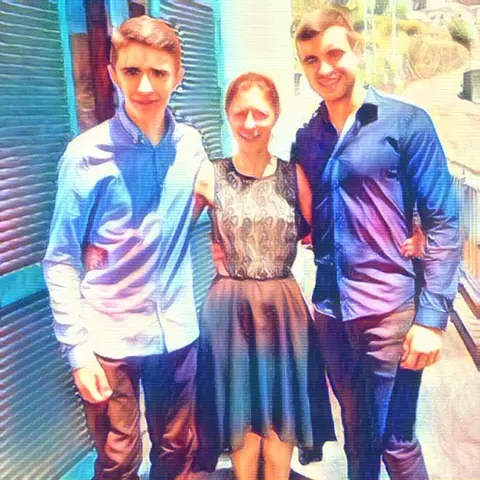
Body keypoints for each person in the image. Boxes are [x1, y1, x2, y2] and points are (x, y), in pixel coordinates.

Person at [291, 6, 461, 480]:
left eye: (334, 53)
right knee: (357, 437)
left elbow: (444, 221)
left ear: (356, 49)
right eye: (310, 59)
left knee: (396, 443)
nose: (324, 68)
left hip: (389, 313)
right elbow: (302, 217)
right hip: (331, 312)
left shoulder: (406, 122)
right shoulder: (307, 138)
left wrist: (431, 319)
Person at [43, 15, 207, 480]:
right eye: (132, 71)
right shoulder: (85, 155)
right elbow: (60, 258)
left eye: (158, 72)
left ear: (177, 75)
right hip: (108, 339)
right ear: (113, 73)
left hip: (176, 331)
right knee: (119, 461)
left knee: (177, 450)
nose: (145, 86)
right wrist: (78, 353)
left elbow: (203, 202)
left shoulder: (191, 146)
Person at [191, 72, 337, 480]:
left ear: (275, 114)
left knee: (280, 420)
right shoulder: (209, 175)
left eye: (260, 113)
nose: (250, 123)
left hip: (283, 313)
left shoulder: (294, 176)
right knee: (242, 427)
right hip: (229, 313)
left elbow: (327, 236)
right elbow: (167, 234)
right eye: (240, 113)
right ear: (228, 115)